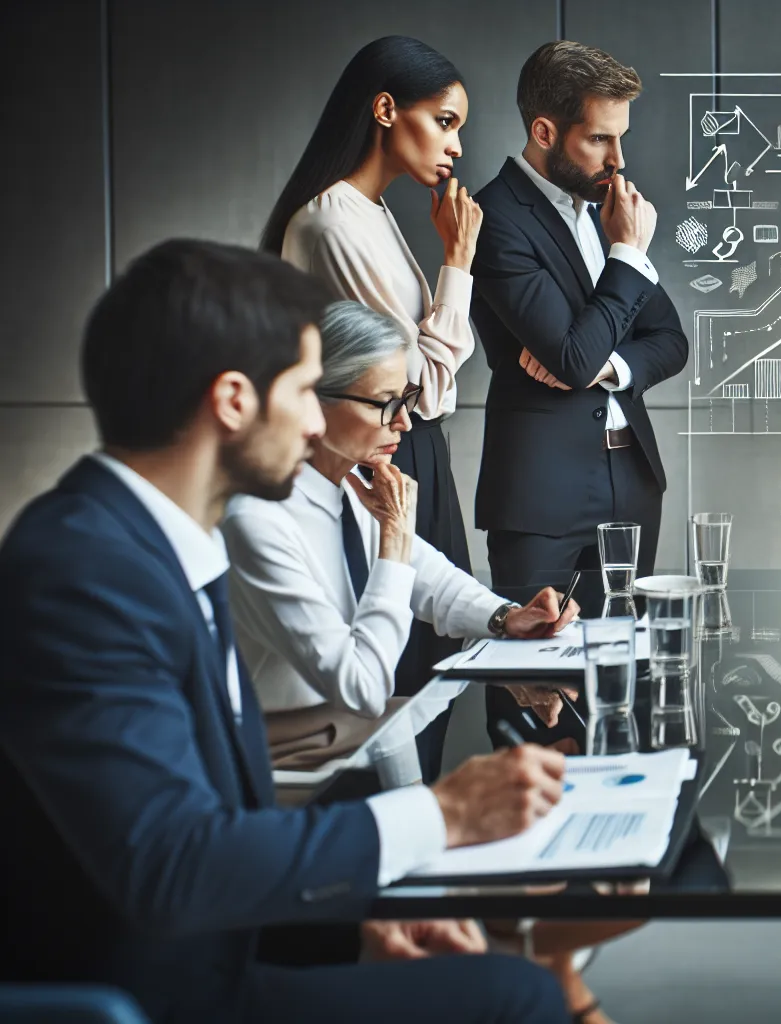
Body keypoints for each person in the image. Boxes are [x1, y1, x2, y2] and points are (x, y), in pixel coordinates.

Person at [0, 239, 568, 1024]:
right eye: (306, 390)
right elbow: (173, 867)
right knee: (519, 994)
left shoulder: (151, 545)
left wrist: (361, 916)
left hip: (223, 942)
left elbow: (213, 828)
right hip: (161, 990)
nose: (314, 423)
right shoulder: (81, 571)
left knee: (508, 979)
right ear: (234, 401)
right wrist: (444, 815)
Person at [221, 302, 581, 780]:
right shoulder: (257, 519)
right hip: (291, 776)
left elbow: (425, 574)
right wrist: (394, 534)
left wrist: (507, 618)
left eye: (407, 399)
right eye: (385, 403)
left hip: (359, 744)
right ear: (313, 400)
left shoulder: (343, 486)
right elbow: (363, 686)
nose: (405, 423)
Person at [262, 35, 484, 743]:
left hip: (411, 450)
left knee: (434, 664)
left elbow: (425, 380)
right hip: (387, 452)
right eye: (445, 121)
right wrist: (457, 265)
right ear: (386, 109)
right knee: (406, 678)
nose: (456, 146)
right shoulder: (330, 220)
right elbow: (422, 386)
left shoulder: (373, 212)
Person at [470, 40, 688, 744]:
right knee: (532, 695)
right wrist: (626, 256)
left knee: (623, 686)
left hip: (632, 479)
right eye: (599, 138)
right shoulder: (495, 218)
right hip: (541, 493)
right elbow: (568, 353)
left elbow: (669, 342)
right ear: (544, 132)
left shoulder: (605, 205)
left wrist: (604, 367)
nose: (617, 159)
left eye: (619, 138)